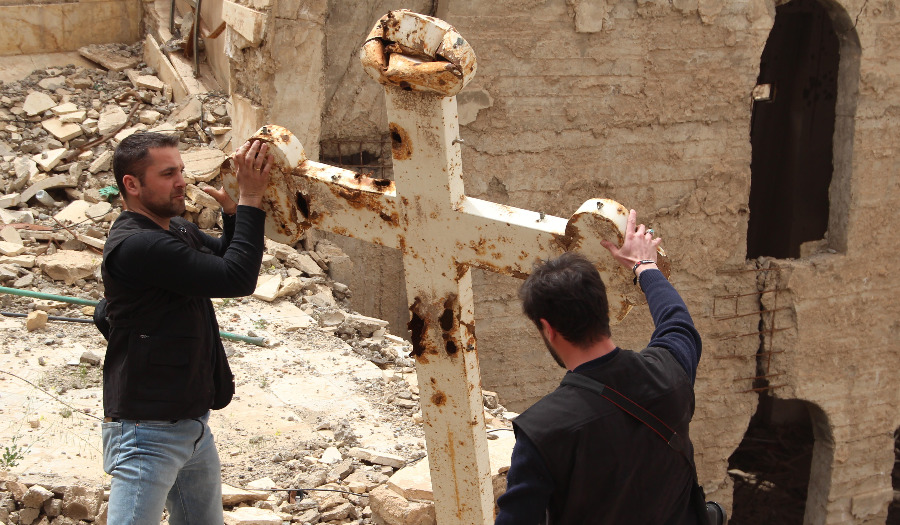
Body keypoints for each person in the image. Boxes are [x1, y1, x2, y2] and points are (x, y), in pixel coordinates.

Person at [97, 132, 273, 524]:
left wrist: (231, 215)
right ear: (132, 184)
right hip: (147, 433)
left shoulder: (173, 231)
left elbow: (230, 258)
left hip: (192, 427)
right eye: (167, 174)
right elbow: (236, 279)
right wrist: (250, 198)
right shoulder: (139, 244)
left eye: (181, 170)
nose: (182, 181)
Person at [495, 210, 703, 525]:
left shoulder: (541, 431)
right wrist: (644, 265)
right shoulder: (670, 374)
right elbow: (678, 324)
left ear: (548, 329)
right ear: (604, 308)